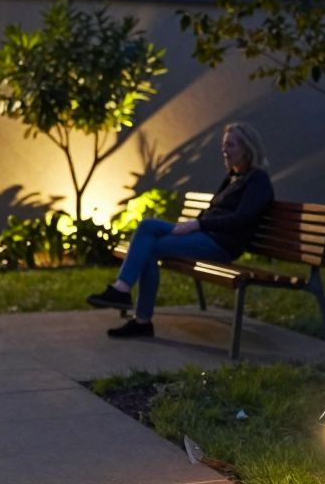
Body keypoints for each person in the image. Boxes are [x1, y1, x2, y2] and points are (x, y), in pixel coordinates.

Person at [87, 123, 274, 338]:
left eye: (230, 145)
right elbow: (214, 211)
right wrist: (196, 225)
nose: (224, 150)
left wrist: (198, 225)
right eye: (224, 145)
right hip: (204, 235)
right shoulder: (233, 177)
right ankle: (123, 290)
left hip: (220, 245)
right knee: (148, 225)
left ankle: (139, 318)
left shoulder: (257, 180)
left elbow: (242, 219)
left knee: (149, 249)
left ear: (246, 149)